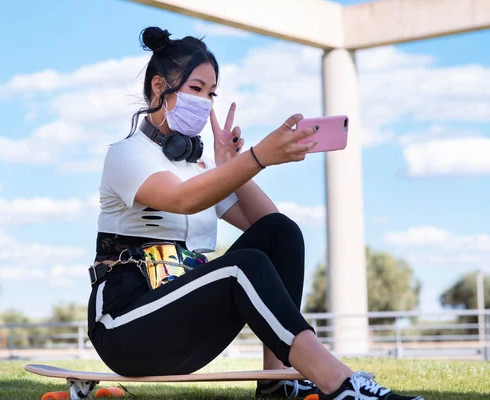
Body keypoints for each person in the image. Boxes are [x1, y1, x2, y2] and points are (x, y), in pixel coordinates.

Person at [86, 26, 424, 400]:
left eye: (211, 94)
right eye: (196, 89)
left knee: (282, 232)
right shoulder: (126, 155)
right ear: (158, 87)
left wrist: (227, 164)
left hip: (183, 326)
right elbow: (182, 199)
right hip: (125, 326)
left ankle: (277, 382)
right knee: (240, 264)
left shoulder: (200, 172)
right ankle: (339, 383)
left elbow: (268, 227)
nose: (206, 103)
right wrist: (256, 158)